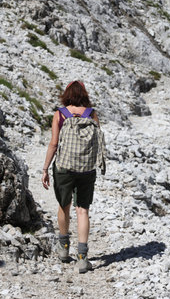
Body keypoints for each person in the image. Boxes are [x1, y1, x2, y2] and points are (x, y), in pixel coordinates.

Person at [42, 80, 103, 273]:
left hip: (64, 168)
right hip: (86, 169)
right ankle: (83, 258)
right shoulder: (91, 114)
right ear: (84, 95)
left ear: (66, 94)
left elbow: (53, 144)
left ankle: (64, 248)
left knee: (64, 206)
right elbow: (98, 141)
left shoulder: (60, 114)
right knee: (83, 210)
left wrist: (45, 168)